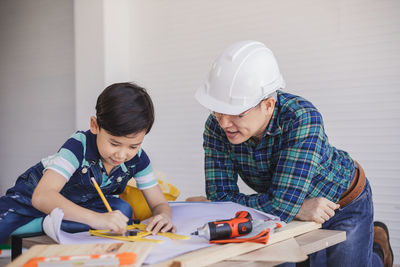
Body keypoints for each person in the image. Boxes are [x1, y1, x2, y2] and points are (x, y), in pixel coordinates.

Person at [191, 40, 393, 267]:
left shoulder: (301, 118)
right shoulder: (216, 125)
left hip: (344, 202)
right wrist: (296, 208)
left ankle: (378, 249)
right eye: (218, 110)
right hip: (297, 209)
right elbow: (220, 198)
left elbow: (279, 207)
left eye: (236, 113)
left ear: (267, 105)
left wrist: (287, 206)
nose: (224, 122)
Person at [0, 82, 175, 244]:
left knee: (122, 211)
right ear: (94, 125)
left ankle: (52, 221)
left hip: (76, 207)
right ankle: (45, 222)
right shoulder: (78, 146)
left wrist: (163, 216)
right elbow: (42, 197)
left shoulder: (138, 159)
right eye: (114, 143)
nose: (122, 155)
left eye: (134, 146)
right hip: (27, 201)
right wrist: (95, 219)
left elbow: (159, 203)